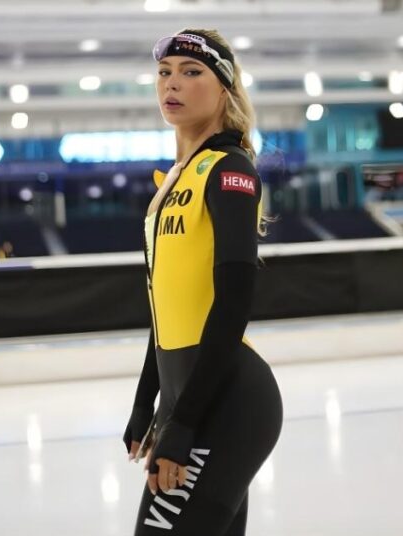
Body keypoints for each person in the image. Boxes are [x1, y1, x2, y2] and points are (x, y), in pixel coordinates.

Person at [121, 29, 283, 535]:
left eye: (192, 73)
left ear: (225, 91)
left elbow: (234, 303)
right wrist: (147, 399)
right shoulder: (173, 181)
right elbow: (165, 311)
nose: (173, 84)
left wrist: (185, 421)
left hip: (226, 400)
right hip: (188, 393)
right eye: (165, 73)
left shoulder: (229, 171)